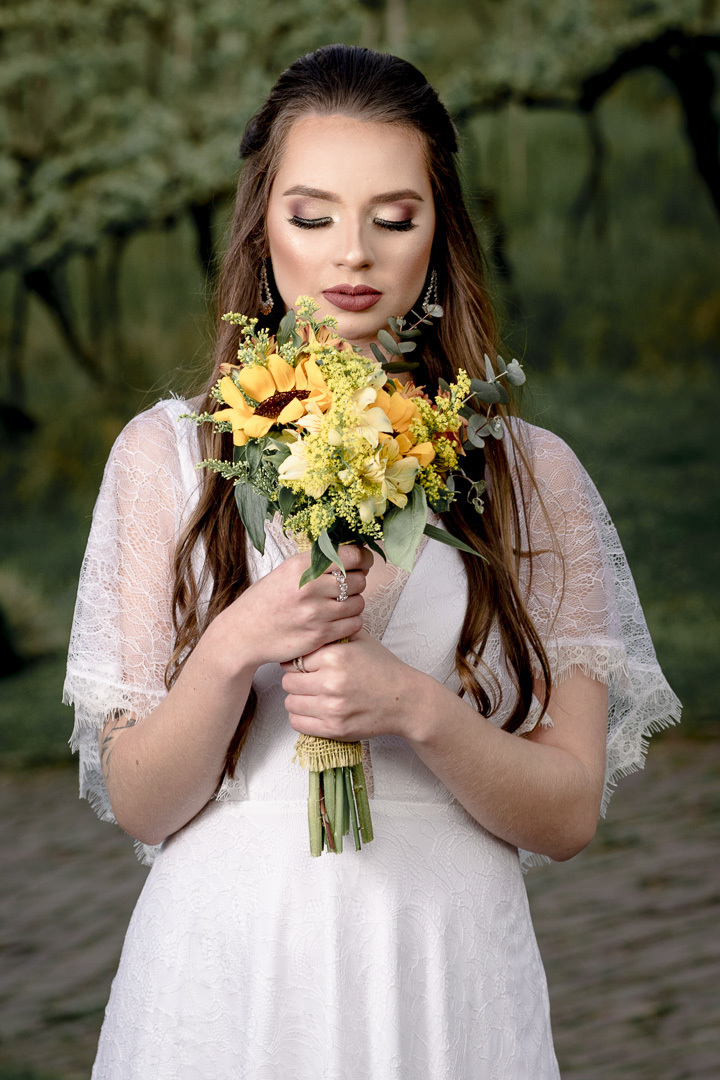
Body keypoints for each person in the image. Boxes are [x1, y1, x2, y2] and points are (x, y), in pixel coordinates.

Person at [64, 44, 681, 1079]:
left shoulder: (532, 475)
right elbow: (141, 802)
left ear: (440, 239)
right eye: (312, 217)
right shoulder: (167, 456)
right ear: (263, 236)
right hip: (227, 972)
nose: (353, 254)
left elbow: (568, 813)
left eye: (395, 218)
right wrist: (233, 648)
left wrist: (413, 708)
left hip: (443, 970)